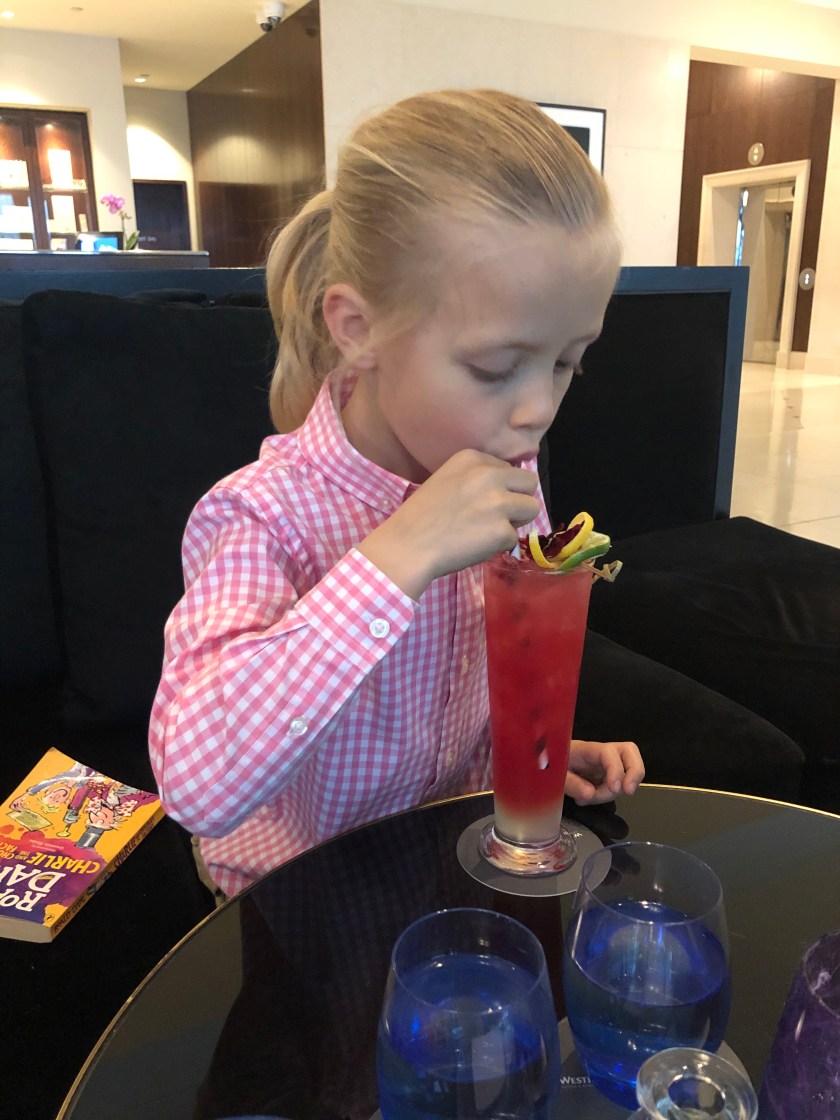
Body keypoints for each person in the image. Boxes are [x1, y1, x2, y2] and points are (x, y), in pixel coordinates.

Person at [149, 88, 645, 898]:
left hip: (451, 854)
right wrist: (398, 555)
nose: (538, 410)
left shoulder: (511, 478)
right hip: (301, 891)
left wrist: (524, 761)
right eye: (495, 367)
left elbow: (471, 686)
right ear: (358, 329)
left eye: (567, 362)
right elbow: (196, 785)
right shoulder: (264, 515)